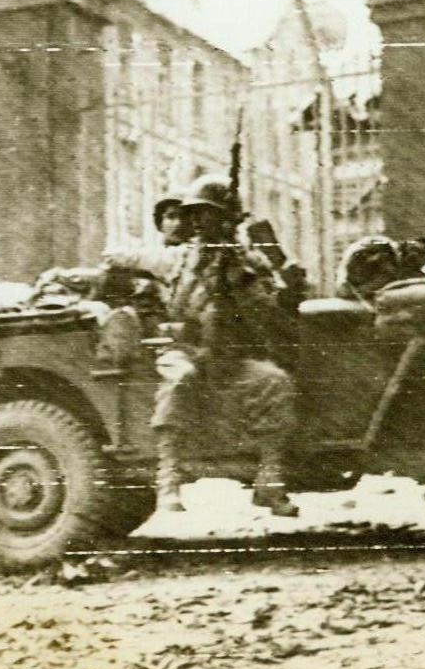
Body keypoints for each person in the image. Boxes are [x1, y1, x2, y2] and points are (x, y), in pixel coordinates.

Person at [107, 175, 300, 517]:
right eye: (193, 214)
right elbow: (117, 256)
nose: (196, 221)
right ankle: (168, 478)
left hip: (230, 356)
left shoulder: (247, 262)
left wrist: (243, 278)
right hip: (183, 349)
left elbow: (270, 312)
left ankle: (269, 482)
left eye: (205, 213)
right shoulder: (178, 258)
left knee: (275, 381)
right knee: (179, 379)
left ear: (226, 219)